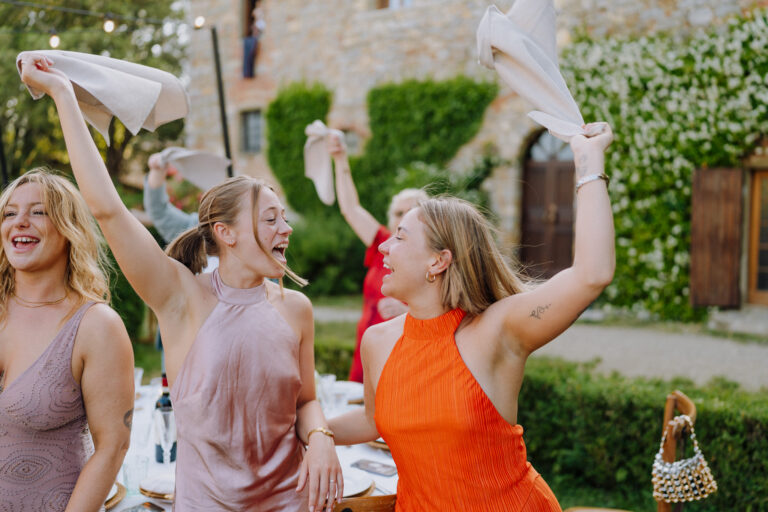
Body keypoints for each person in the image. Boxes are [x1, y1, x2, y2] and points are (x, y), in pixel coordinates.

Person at [19, 53, 342, 512]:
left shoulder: (296, 309)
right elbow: (107, 208)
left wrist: (321, 436)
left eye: (284, 218)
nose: (286, 229)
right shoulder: (181, 297)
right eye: (271, 219)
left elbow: (306, 401)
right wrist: (63, 94)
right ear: (226, 233)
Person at [329, 123, 615, 510]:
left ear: (438, 261)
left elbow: (592, 275)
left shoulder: (496, 329)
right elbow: (372, 421)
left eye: (400, 236)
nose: (383, 247)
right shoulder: (377, 341)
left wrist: (589, 161)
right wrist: (309, 431)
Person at [0, 169, 134, 511]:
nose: (20, 222)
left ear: (68, 229)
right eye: (10, 213)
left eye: (38, 212)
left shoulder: (96, 326)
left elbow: (113, 447)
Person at [328, 133, 427, 383]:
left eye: (411, 211)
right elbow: (350, 209)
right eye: (398, 213)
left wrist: (407, 311)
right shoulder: (382, 244)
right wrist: (340, 159)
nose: (403, 217)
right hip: (367, 343)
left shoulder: (432, 256)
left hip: (404, 349)